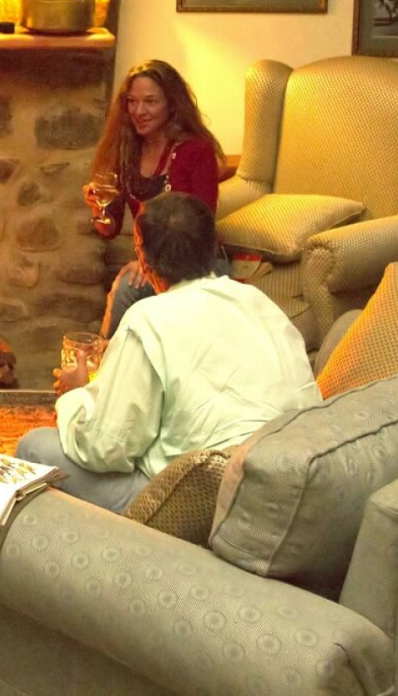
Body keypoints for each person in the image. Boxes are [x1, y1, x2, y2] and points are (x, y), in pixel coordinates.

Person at [17, 192, 319, 513]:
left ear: (144, 260)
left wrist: (76, 396)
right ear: (212, 246)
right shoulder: (260, 303)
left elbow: (106, 448)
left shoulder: (148, 319)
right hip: (291, 482)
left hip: (201, 502)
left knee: (34, 447)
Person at [85, 59, 225, 338]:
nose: (139, 111)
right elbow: (109, 229)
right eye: (132, 101)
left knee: (126, 288)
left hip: (198, 260)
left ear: (172, 104)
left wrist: (149, 265)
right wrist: (99, 208)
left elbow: (201, 227)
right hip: (151, 261)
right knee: (128, 286)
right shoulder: (127, 150)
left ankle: (105, 361)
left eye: (150, 101)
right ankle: (111, 359)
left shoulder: (197, 150)